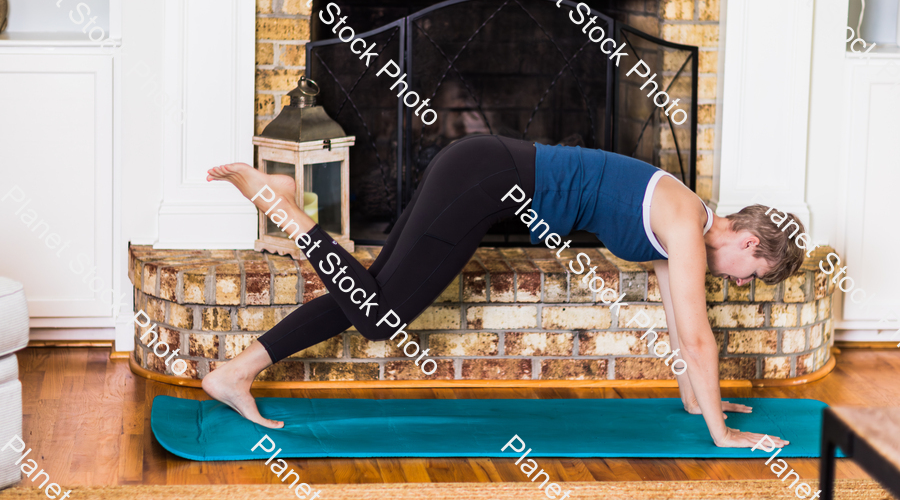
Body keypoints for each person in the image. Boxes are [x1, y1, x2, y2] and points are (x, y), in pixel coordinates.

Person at [202, 134, 801, 449]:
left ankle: (235, 371)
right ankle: (276, 202)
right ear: (750, 244)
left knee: (370, 294)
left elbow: (679, 328)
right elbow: (700, 340)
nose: (739, 284)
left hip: (483, 170)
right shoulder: (690, 224)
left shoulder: (683, 225)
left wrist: (699, 403)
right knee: (381, 316)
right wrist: (723, 433)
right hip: (489, 177)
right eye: (753, 275)